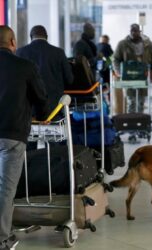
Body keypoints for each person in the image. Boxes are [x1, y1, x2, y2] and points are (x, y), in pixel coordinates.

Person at [0, 25, 48, 250]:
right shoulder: (25, 66)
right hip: (12, 135)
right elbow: (41, 98)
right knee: (5, 189)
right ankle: (1, 238)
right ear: (13, 43)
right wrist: (42, 116)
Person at [17, 25, 73, 111]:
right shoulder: (59, 53)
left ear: (31, 37)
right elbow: (69, 80)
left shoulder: (20, 52)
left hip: (28, 109)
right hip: (55, 108)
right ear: (46, 37)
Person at [113, 24, 152, 114]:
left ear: (139, 31)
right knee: (131, 102)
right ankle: (131, 123)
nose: (133, 33)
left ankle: (140, 122)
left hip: (143, 75)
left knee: (141, 102)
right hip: (128, 76)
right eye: (131, 31)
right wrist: (119, 72)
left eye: (135, 31)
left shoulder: (147, 44)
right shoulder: (122, 44)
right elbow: (115, 59)